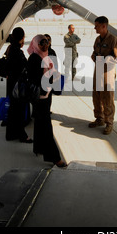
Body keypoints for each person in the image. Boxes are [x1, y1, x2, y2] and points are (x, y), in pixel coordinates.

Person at [27, 34, 67, 167]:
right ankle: (54, 157)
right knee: (46, 127)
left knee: (39, 123)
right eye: (41, 43)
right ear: (36, 44)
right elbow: (33, 78)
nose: (45, 45)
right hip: (39, 97)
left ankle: (38, 148)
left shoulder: (47, 56)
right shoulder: (34, 58)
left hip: (46, 95)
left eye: (47, 42)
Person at [89, 16, 117, 135]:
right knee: (96, 97)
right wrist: (94, 57)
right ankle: (99, 119)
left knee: (107, 98)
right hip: (97, 71)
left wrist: (108, 59)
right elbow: (94, 52)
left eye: (97, 26)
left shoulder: (114, 40)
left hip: (108, 72)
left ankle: (109, 123)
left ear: (104, 26)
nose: (95, 28)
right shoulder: (97, 40)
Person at [5, 27, 32, 143]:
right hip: (18, 85)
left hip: (11, 83)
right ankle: (22, 135)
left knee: (12, 109)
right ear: (21, 38)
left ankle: (10, 134)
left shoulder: (10, 48)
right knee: (19, 110)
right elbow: (25, 66)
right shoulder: (17, 51)